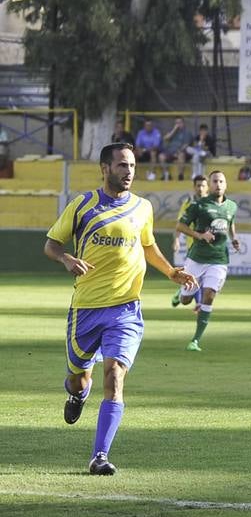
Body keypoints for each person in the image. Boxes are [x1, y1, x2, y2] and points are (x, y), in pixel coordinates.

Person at [44, 142, 197, 475]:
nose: (129, 172)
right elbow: (51, 244)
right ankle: (76, 394)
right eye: (122, 166)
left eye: (132, 166)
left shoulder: (142, 207)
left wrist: (171, 271)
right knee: (79, 379)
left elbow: (148, 245)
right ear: (105, 168)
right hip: (85, 309)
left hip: (126, 309)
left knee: (114, 376)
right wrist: (66, 258)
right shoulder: (82, 206)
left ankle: (100, 456)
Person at [175, 170, 240, 352]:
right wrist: (199, 235)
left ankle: (195, 340)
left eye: (221, 181)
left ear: (225, 185)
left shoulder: (232, 206)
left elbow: (231, 222)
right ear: (209, 185)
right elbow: (180, 225)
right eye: (215, 181)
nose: (218, 184)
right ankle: (179, 293)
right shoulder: (199, 206)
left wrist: (234, 238)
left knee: (209, 295)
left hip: (219, 259)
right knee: (186, 299)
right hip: (197, 259)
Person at [170, 175, 210, 308]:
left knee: (203, 276)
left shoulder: (213, 203)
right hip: (193, 245)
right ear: (194, 187)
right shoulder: (188, 203)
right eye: (198, 185)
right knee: (196, 276)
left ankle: (181, 293)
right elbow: (180, 223)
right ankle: (198, 303)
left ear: (207, 187)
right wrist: (176, 239)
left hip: (209, 246)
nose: (200, 188)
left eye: (203, 185)